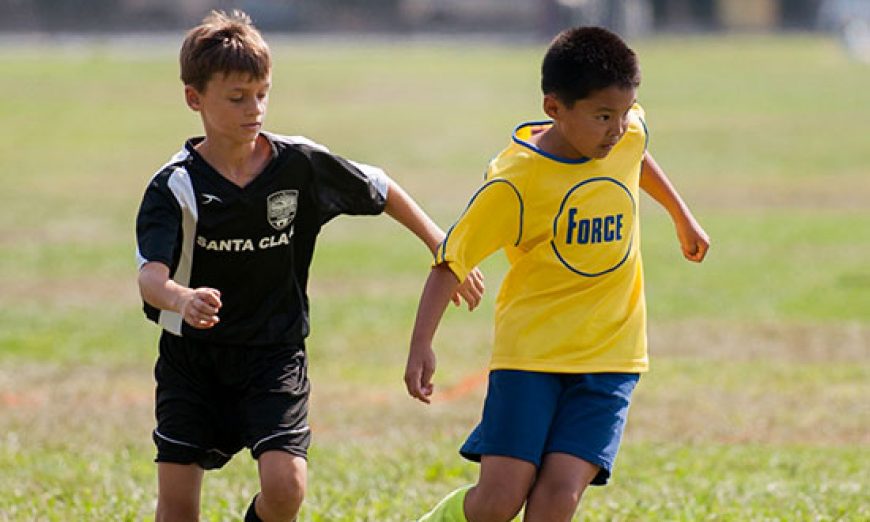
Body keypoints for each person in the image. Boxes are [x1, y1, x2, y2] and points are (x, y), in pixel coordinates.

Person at [135, 10, 484, 522]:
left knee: (287, 487)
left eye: (262, 94)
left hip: (274, 353)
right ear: (195, 98)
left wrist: (440, 243)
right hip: (193, 361)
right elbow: (150, 278)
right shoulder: (176, 185)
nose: (254, 109)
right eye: (237, 98)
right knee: (179, 507)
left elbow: (381, 187)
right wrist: (181, 298)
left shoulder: (297, 163)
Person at [404, 26, 710, 522]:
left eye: (626, 112)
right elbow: (450, 261)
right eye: (603, 116)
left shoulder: (625, 134)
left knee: (557, 499)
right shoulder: (515, 183)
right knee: (499, 501)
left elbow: (636, 153)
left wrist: (681, 216)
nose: (617, 128)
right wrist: (422, 344)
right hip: (531, 356)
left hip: (611, 354)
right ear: (554, 108)